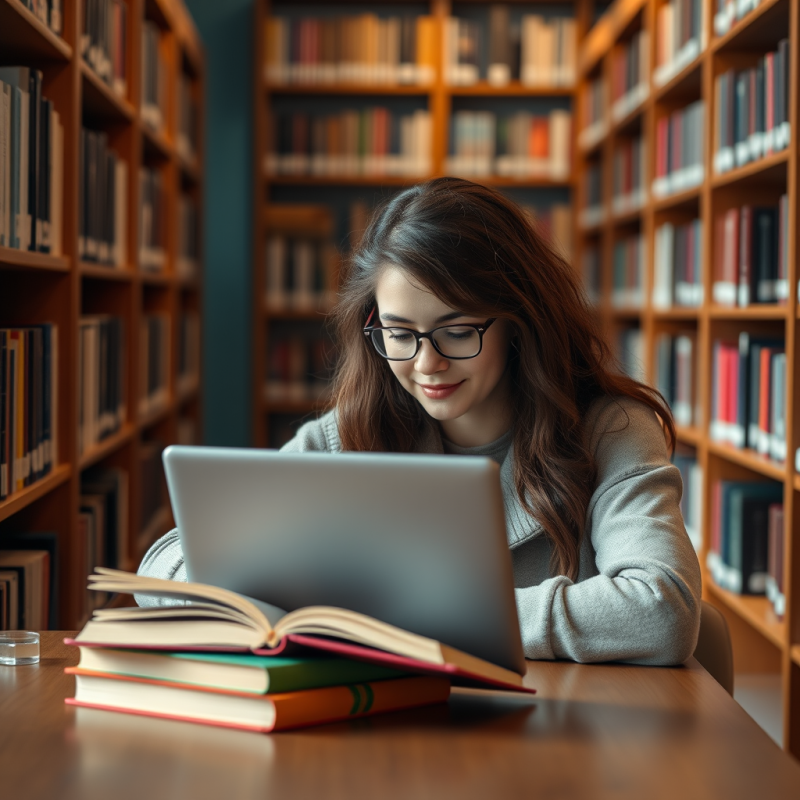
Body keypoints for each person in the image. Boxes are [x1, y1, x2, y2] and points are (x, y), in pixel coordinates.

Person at [139, 177, 702, 665]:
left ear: (518, 321)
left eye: (458, 331)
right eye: (399, 333)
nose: (427, 363)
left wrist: (399, 612)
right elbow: (167, 564)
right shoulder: (348, 436)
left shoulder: (611, 432)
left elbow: (662, 610)